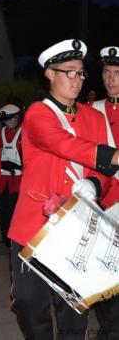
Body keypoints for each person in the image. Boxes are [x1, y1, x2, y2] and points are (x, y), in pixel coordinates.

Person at [8, 39, 119, 340]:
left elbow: (105, 173)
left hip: (78, 226)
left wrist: (94, 183)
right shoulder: (37, 113)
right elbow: (61, 143)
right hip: (36, 224)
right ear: (49, 74)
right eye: (68, 72)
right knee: (29, 303)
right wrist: (113, 156)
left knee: (73, 310)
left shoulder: (94, 117)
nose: (77, 80)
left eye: (81, 73)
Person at [91, 45, 119, 339]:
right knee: (102, 268)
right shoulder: (93, 110)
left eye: (117, 74)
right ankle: (109, 327)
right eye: (107, 73)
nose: (111, 79)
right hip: (102, 201)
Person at [0, 104, 23, 247]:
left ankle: (14, 237)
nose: (8, 123)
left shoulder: (24, 132)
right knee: (3, 209)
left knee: (15, 210)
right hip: (3, 178)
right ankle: (5, 236)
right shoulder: (1, 132)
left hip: (18, 179)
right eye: (5, 120)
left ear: (17, 117)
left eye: (11, 119)